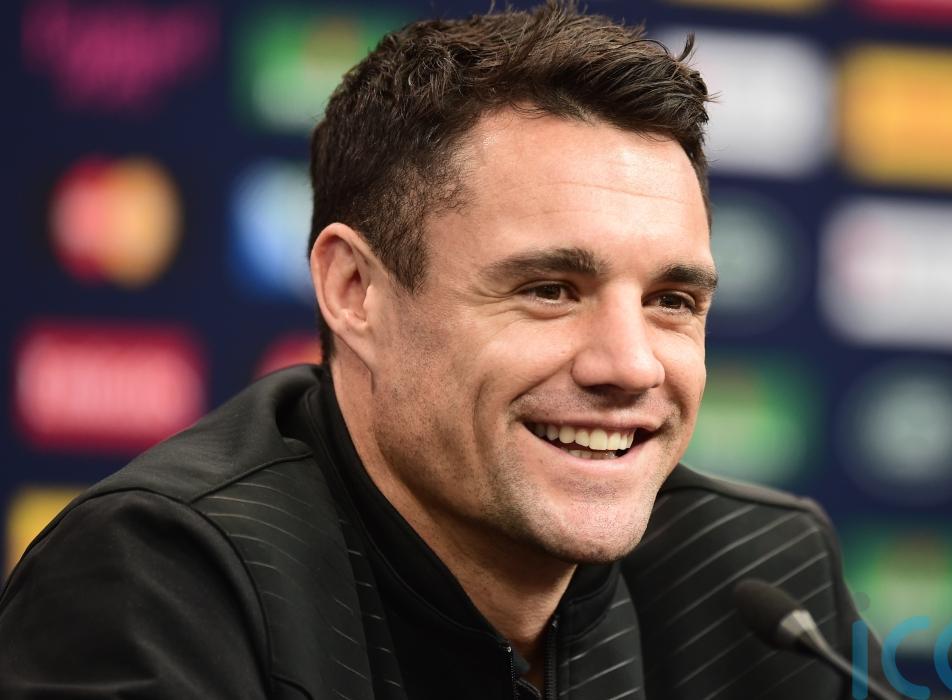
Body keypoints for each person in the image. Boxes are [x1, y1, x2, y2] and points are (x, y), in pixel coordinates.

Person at [0, 3, 878, 698]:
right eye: (549, 290)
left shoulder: (762, 573)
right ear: (356, 290)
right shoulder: (162, 580)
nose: (631, 366)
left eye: (671, 302)